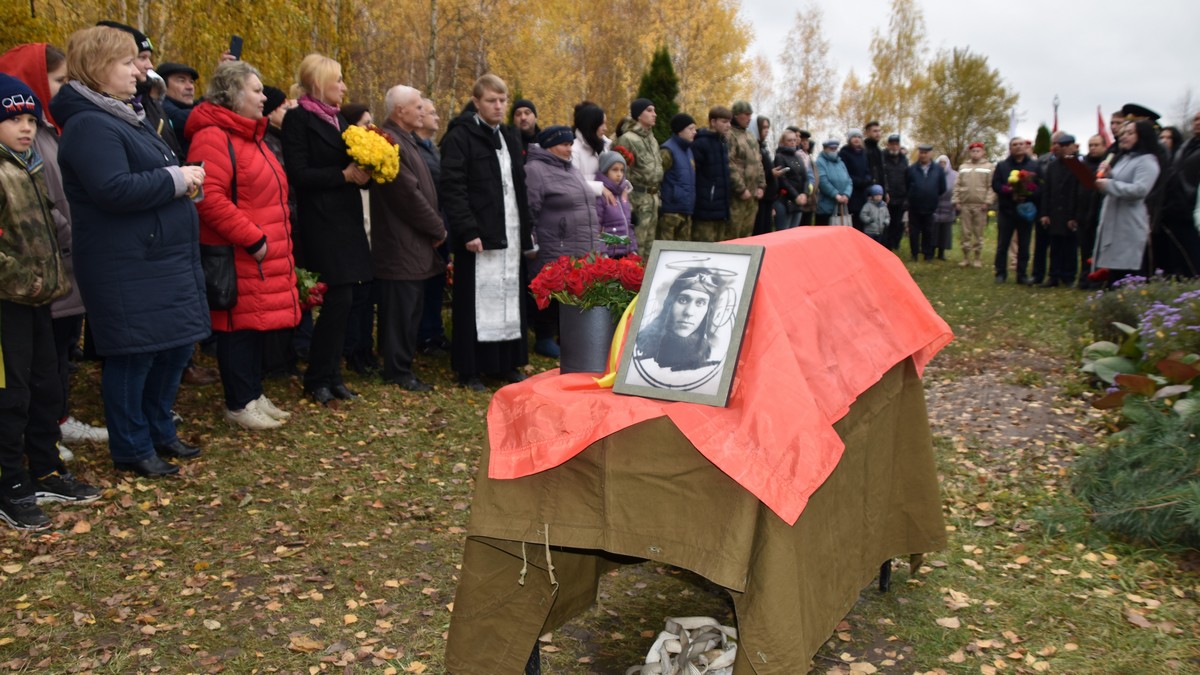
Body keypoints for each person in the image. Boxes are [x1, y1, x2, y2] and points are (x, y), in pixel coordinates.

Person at [52, 25, 210, 477]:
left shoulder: (127, 114)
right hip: (126, 262)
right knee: (135, 355)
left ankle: (160, 429)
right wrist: (177, 180)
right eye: (127, 63)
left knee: (173, 349)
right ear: (99, 69)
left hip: (160, 258)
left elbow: (154, 171)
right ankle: (132, 446)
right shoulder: (88, 123)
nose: (139, 72)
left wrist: (184, 180)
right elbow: (112, 189)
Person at [0, 73, 100, 529]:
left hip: (40, 297)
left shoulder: (29, 163)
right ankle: (10, 483)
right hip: (8, 303)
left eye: (29, 118)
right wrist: (27, 279)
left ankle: (44, 468)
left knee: (46, 384)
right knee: (12, 394)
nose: (25, 127)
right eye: (14, 119)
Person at [185, 61, 300, 429]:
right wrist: (254, 239)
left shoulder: (251, 136)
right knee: (237, 328)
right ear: (232, 95)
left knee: (254, 327)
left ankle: (252, 393)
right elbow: (207, 197)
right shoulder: (213, 136)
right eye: (256, 90)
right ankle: (238, 402)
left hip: (260, 254)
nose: (264, 97)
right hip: (240, 253)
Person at [281, 53, 372, 406]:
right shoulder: (298, 119)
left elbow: (347, 168)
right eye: (338, 80)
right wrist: (342, 176)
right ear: (320, 82)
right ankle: (317, 377)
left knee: (346, 300)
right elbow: (298, 173)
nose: (344, 87)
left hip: (345, 220)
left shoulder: (337, 121)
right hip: (321, 222)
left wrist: (366, 172)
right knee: (337, 301)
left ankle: (331, 375)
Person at [439, 73, 533, 391]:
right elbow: (453, 187)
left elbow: (519, 187)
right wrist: (466, 229)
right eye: (491, 100)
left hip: (510, 232)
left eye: (502, 100)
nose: (498, 106)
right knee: (476, 302)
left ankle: (504, 363)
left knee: (508, 298)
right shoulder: (459, 137)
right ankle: (470, 369)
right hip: (478, 235)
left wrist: (527, 229)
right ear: (477, 102)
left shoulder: (509, 135)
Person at [371, 85, 446, 392]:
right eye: (416, 106)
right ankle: (397, 369)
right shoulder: (389, 143)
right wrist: (437, 228)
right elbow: (408, 196)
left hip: (412, 241)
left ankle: (400, 364)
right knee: (401, 307)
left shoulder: (407, 141)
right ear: (399, 111)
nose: (422, 110)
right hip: (401, 242)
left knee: (409, 306)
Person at [524, 125, 601, 357]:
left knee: (573, 290)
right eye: (564, 144)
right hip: (553, 243)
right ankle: (544, 338)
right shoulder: (535, 170)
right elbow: (529, 209)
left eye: (570, 144)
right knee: (550, 289)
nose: (570, 149)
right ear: (549, 146)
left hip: (580, 243)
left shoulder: (571, 169)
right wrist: (531, 241)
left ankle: (567, 336)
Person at [1093, 120, 1162, 285]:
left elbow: (1139, 190)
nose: (1124, 137)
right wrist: (1109, 175)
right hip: (1113, 220)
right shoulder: (1124, 158)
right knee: (1114, 272)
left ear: (1142, 136)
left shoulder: (1147, 161)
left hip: (1128, 223)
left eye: (1130, 133)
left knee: (1128, 272)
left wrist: (1109, 184)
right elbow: (1121, 181)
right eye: (1123, 133)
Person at [633, 267, 729, 373]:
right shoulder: (639, 346)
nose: (689, 312)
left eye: (700, 303)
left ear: (708, 310)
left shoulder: (712, 355)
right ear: (669, 303)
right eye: (682, 300)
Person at [414, 97, 453, 356]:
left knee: (437, 282)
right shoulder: (415, 148)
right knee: (425, 284)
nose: (437, 117)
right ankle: (424, 336)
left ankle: (434, 332)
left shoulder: (431, 148)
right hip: (427, 225)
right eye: (431, 112)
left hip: (441, 221)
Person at [1154, 111, 1200, 277]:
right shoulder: (1185, 147)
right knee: (1181, 260)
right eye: (1195, 119)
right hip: (1178, 208)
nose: (1197, 122)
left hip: (1193, 208)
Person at [991, 137, 1041, 284]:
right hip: (1007, 211)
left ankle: (1022, 274)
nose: (1018, 147)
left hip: (1025, 211)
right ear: (1010, 148)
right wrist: (1009, 192)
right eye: (1015, 145)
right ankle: (1000, 273)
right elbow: (996, 185)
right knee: (1003, 244)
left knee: (1024, 244)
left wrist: (1029, 193)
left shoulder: (1034, 166)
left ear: (1025, 147)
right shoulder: (1002, 166)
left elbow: (1041, 186)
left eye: (1021, 144)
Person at [615, 97, 663, 248]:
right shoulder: (628, 139)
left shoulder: (652, 138)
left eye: (654, 110)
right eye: (649, 111)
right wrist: (628, 205)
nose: (654, 114)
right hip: (637, 199)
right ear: (638, 115)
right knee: (638, 244)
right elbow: (621, 173)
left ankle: (648, 271)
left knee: (651, 245)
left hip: (652, 198)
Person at [1034, 134, 1080, 287]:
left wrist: (1074, 216)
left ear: (1073, 147)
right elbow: (1047, 191)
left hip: (1070, 213)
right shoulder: (1053, 166)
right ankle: (1053, 276)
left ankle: (1069, 276)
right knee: (1055, 246)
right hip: (1054, 213)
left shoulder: (1078, 166)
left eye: (1066, 146)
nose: (1062, 149)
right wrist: (1045, 213)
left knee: (1070, 247)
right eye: (1059, 146)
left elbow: (1080, 193)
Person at [691, 106, 732, 242]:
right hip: (705, 208)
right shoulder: (700, 143)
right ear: (713, 122)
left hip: (721, 208)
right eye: (724, 121)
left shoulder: (722, 143)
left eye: (729, 122)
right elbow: (695, 175)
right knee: (704, 248)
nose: (728, 125)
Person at [951, 142, 994, 268]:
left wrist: (988, 202)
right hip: (965, 204)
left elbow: (991, 186)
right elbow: (957, 185)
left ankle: (977, 258)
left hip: (980, 205)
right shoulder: (963, 166)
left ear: (983, 152)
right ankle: (965, 257)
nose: (975, 153)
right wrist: (956, 200)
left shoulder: (989, 167)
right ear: (970, 152)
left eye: (978, 151)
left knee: (978, 233)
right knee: (965, 232)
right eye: (973, 151)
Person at [726, 101, 764, 239]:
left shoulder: (751, 136)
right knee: (733, 235)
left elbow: (759, 162)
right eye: (746, 115)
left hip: (753, 197)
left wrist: (761, 185)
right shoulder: (730, 135)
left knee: (747, 237)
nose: (749, 118)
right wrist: (741, 189)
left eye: (750, 115)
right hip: (737, 197)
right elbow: (729, 164)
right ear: (736, 115)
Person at [658, 113, 697, 241]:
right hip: (671, 211)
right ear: (680, 131)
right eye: (690, 129)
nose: (694, 132)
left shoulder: (688, 150)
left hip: (686, 210)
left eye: (695, 129)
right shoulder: (667, 151)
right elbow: (657, 177)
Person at [906, 144, 947, 261]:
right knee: (914, 232)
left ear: (931, 154)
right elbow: (907, 185)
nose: (923, 155)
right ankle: (914, 254)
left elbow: (942, 188)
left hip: (930, 206)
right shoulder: (911, 169)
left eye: (926, 153)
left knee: (928, 231)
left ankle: (928, 254)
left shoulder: (938, 170)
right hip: (914, 206)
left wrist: (931, 195)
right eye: (921, 152)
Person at [594, 151, 636, 257]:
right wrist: (602, 252)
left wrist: (633, 249)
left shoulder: (623, 195)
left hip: (625, 254)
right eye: (614, 170)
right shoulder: (601, 196)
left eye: (622, 170)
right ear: (605, 171)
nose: (619, 174)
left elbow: (628, 226)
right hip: (608, 255)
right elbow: (596, 227)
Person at [772, 128, 811, 231]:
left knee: (795, 233)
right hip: (785, 200)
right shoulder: (779, 157)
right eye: (790, 140)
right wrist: (796, 196)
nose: (793, 142)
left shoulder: (798, 157)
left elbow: (805, 178)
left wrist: (804, 193)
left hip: (798, 201)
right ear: (783, 142)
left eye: (794, 140)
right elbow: (783, 180)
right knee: (784, 233)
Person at [157, 61, 199, 153]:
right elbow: (181, 117)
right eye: (181, 80)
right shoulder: (160, 108)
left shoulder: (188, 107)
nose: (190, 87)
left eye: (191, 82)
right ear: (163, 86)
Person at [839, 128, 871, 230]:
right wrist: (858, 181)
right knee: (852, 223)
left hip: (863, 193)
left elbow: (867, 169)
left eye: (858, 137)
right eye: (854, 137)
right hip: (851, 193)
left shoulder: (863, 153)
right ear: (849, 139)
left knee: (862, 222)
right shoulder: (844, 153)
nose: (856, 139)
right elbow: (845, 173)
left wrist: (867, 179)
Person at [814, 138, 851, 225]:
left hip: (841, 206)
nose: (834, 151)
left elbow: (849, 180)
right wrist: (835, 195)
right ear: (825, 149)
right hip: (825, 208)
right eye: (831, 149)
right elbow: (823, 181)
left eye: (835, 149)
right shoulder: (820, 162)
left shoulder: (840, 162)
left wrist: (846, 194)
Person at [882, 133, 909, 248]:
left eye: (896, 144)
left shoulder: (904, 159)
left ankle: (895, 243)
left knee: (898, 223)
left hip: (901, 196)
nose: (894, 147)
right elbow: (882, 175)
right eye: (892, 144)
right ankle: (886, 244)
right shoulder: (883, 157)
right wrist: (885, 191)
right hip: (888, 196)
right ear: (888, 145)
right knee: (886, 222)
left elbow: (907, 177)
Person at [933, 154, 958, 260]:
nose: (942, 165)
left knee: (945, 232)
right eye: (940, 163)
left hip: (948, 206)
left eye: (944, 163)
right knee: (934, 231)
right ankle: (931, 251)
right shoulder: (933, 173)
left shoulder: (954, 175)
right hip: (935, 206)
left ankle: (941, 253)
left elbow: (956, 189)